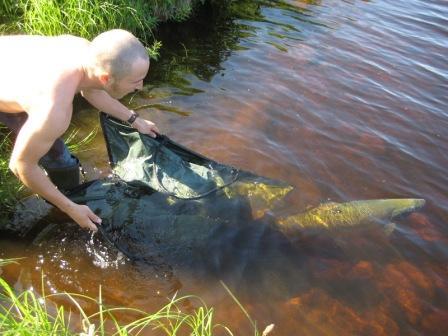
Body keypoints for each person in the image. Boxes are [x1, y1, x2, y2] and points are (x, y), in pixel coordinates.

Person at [0, 29, 159, 232]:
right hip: (17, 87)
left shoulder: (87, 53)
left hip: (17, 71)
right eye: (136, 81)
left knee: (58, 155)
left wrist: (134, 120)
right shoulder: (55, 109)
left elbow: (92, 90)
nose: (141, 87)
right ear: (106, 78)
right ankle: (66, 198)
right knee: (48, 153)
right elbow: (21, 165)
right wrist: (70, 208)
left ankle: (66, 185)